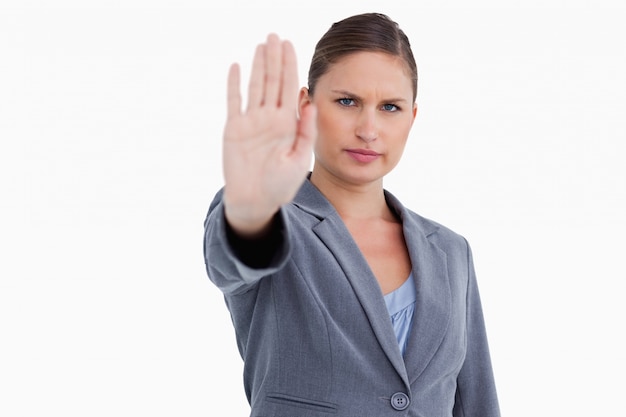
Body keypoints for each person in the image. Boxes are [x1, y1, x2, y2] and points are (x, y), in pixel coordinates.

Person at [203, 12, 500, 417]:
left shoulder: (451, 252)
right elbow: (231, 259)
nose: (368, 128)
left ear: (412, 118)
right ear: (306, 106)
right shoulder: (274, 221)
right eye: (347, 101)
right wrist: (252, 206)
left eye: (390, 107)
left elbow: (476, 403)